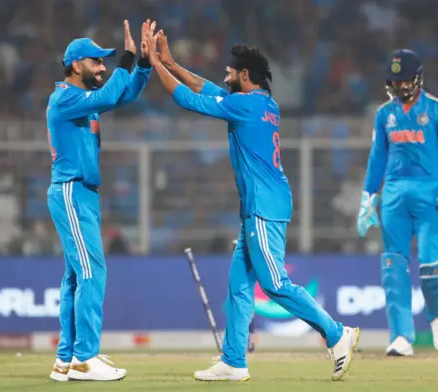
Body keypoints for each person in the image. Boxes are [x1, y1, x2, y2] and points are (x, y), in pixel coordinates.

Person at [145, 29, 359, 381]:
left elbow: (187, 99)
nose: (224, 77)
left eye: (229, 72)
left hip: (263, 205)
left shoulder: (242, 105)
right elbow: (207, 90)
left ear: (244, 76)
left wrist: (155, 65)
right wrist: (171, 63)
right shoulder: (262, 104)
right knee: (239, 285)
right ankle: (233, 361)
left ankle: (336, 334)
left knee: (274, 283)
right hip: (262, 204)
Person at [47, 20, 154, 382]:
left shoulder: (83, 100)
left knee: (76, 277)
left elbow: (124, 95)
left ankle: (67, 359)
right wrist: (126, 58)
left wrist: (142, 64)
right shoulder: (65, 98)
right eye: (97, 61)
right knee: (92, 272)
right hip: (71, 191)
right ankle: (84, 358)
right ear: (77, 65)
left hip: (83, 194)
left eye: (106, 62)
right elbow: (111, 95)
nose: (103, 67)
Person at [357, 49, 438, 356]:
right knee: (393, 265)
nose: (401, 87)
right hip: (393, 195)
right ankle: (401, 335)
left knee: (431, 262)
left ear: (418, 78)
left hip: (430, 192)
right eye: (395, 81)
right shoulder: (383, 114)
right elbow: (377, 157)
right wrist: (368, 198)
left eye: (406, 80)